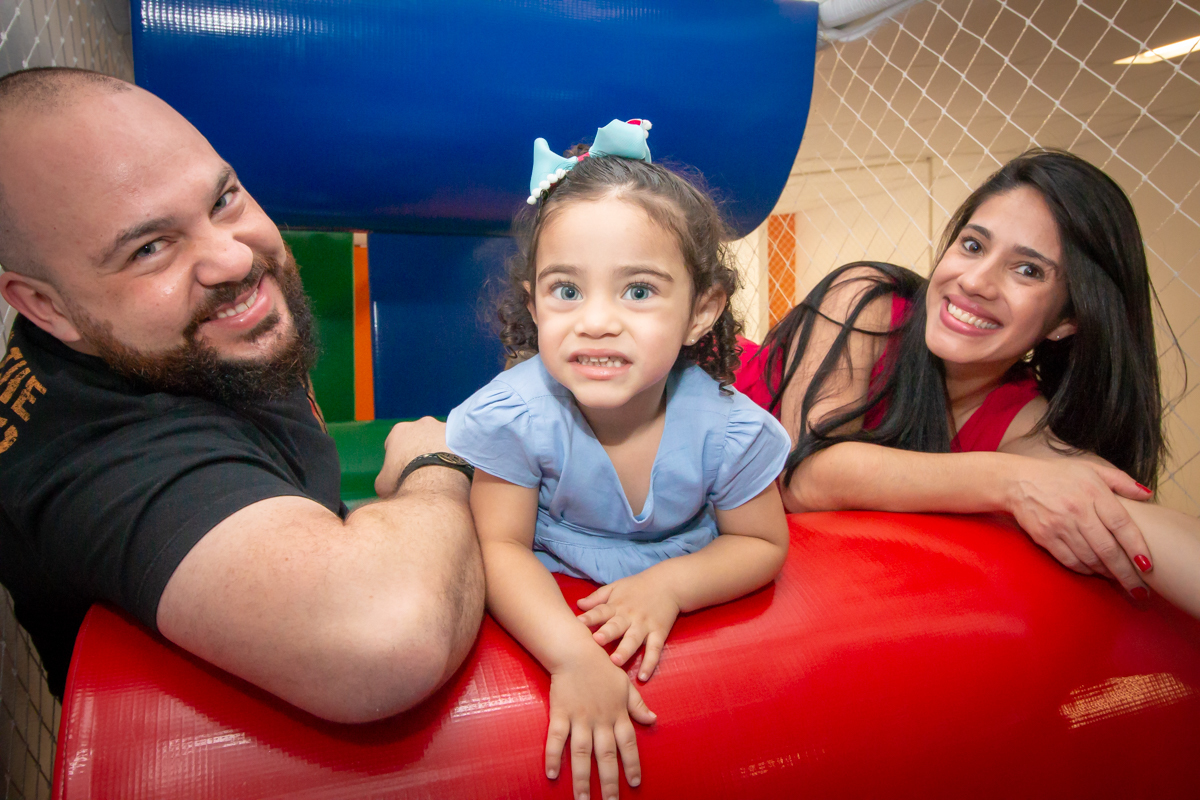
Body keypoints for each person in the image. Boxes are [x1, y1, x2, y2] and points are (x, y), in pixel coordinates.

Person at [0, 67, 484, 722]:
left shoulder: (172, 335)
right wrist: (436, 469)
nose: (232, 259)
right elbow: (385, 640)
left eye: (222, 198)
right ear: (42, 306)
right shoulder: (91, 461)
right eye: (149, 248)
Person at [446, 120, 790, 800]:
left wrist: (672, 586)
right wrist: (572, 657)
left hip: (664, 580)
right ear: (534, 305)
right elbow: (499, 546)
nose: (596, 320)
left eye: (637, 291)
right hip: (553, 582)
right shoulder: (521, 414)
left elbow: (761, 541)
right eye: (567, 291)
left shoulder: (727, 430)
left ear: (701, 311)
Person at [737, 148, 1200, 619]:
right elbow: (802, 476)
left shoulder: (1020, 418)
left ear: (1067, 319)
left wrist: (1038, 482)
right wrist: (1011, 482)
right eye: (974, 246)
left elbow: (1117, 515)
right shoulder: (866, 301)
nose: (976, 281)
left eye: (1028, 270)